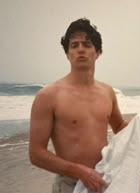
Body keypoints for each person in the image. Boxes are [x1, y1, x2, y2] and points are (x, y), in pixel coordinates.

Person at [29, 18, 129, 193]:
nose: (80, 49)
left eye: (87, 44)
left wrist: (138, 128)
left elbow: (119, 126)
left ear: (97, 52)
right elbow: (36, 153)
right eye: (74, 46)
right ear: (68, 54)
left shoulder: (107, 92)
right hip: (69, 184)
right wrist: (79, 171)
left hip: (102, 180)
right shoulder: (49, 96)